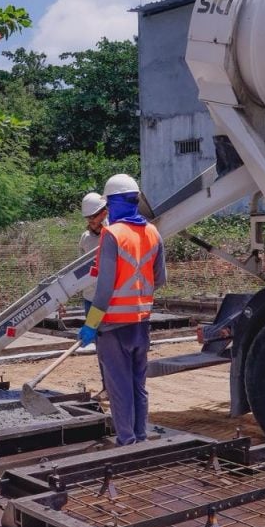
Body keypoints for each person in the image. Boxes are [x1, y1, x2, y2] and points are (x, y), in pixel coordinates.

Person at [77, 174, 166, 445]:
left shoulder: (112, 235)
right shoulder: (153, 232)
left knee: (119, 387)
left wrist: (91, 325)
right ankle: (140, 436)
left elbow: (103, 290)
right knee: (138, 384)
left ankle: (126, 442)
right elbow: (160, 278)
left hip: (113, 326)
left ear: (113, 204)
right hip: (141, 323)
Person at [79, 192, 107, 317]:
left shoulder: (113, 235)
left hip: (109, 298)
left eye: (93, 216)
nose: (90, 220)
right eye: (88, 217)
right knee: (92, 328)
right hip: (90, 297)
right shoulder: (85, 238)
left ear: (104, 213)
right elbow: (80, 266)